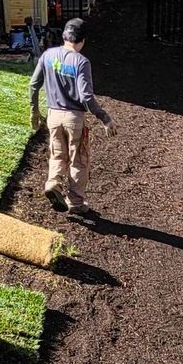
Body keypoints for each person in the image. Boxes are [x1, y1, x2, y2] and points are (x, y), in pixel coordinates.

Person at [29, 18, 114, 218]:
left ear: (64, 36)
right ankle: (75, 202)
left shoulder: (48, 55)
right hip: (74, 119)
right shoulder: (81, 62)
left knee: (57, 155)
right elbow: (86, 97)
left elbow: (33, 84)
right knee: (79, 160)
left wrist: (34, 110)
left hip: (53, 116)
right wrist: (104, 118)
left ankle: (53, 183)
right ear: (82, 40)